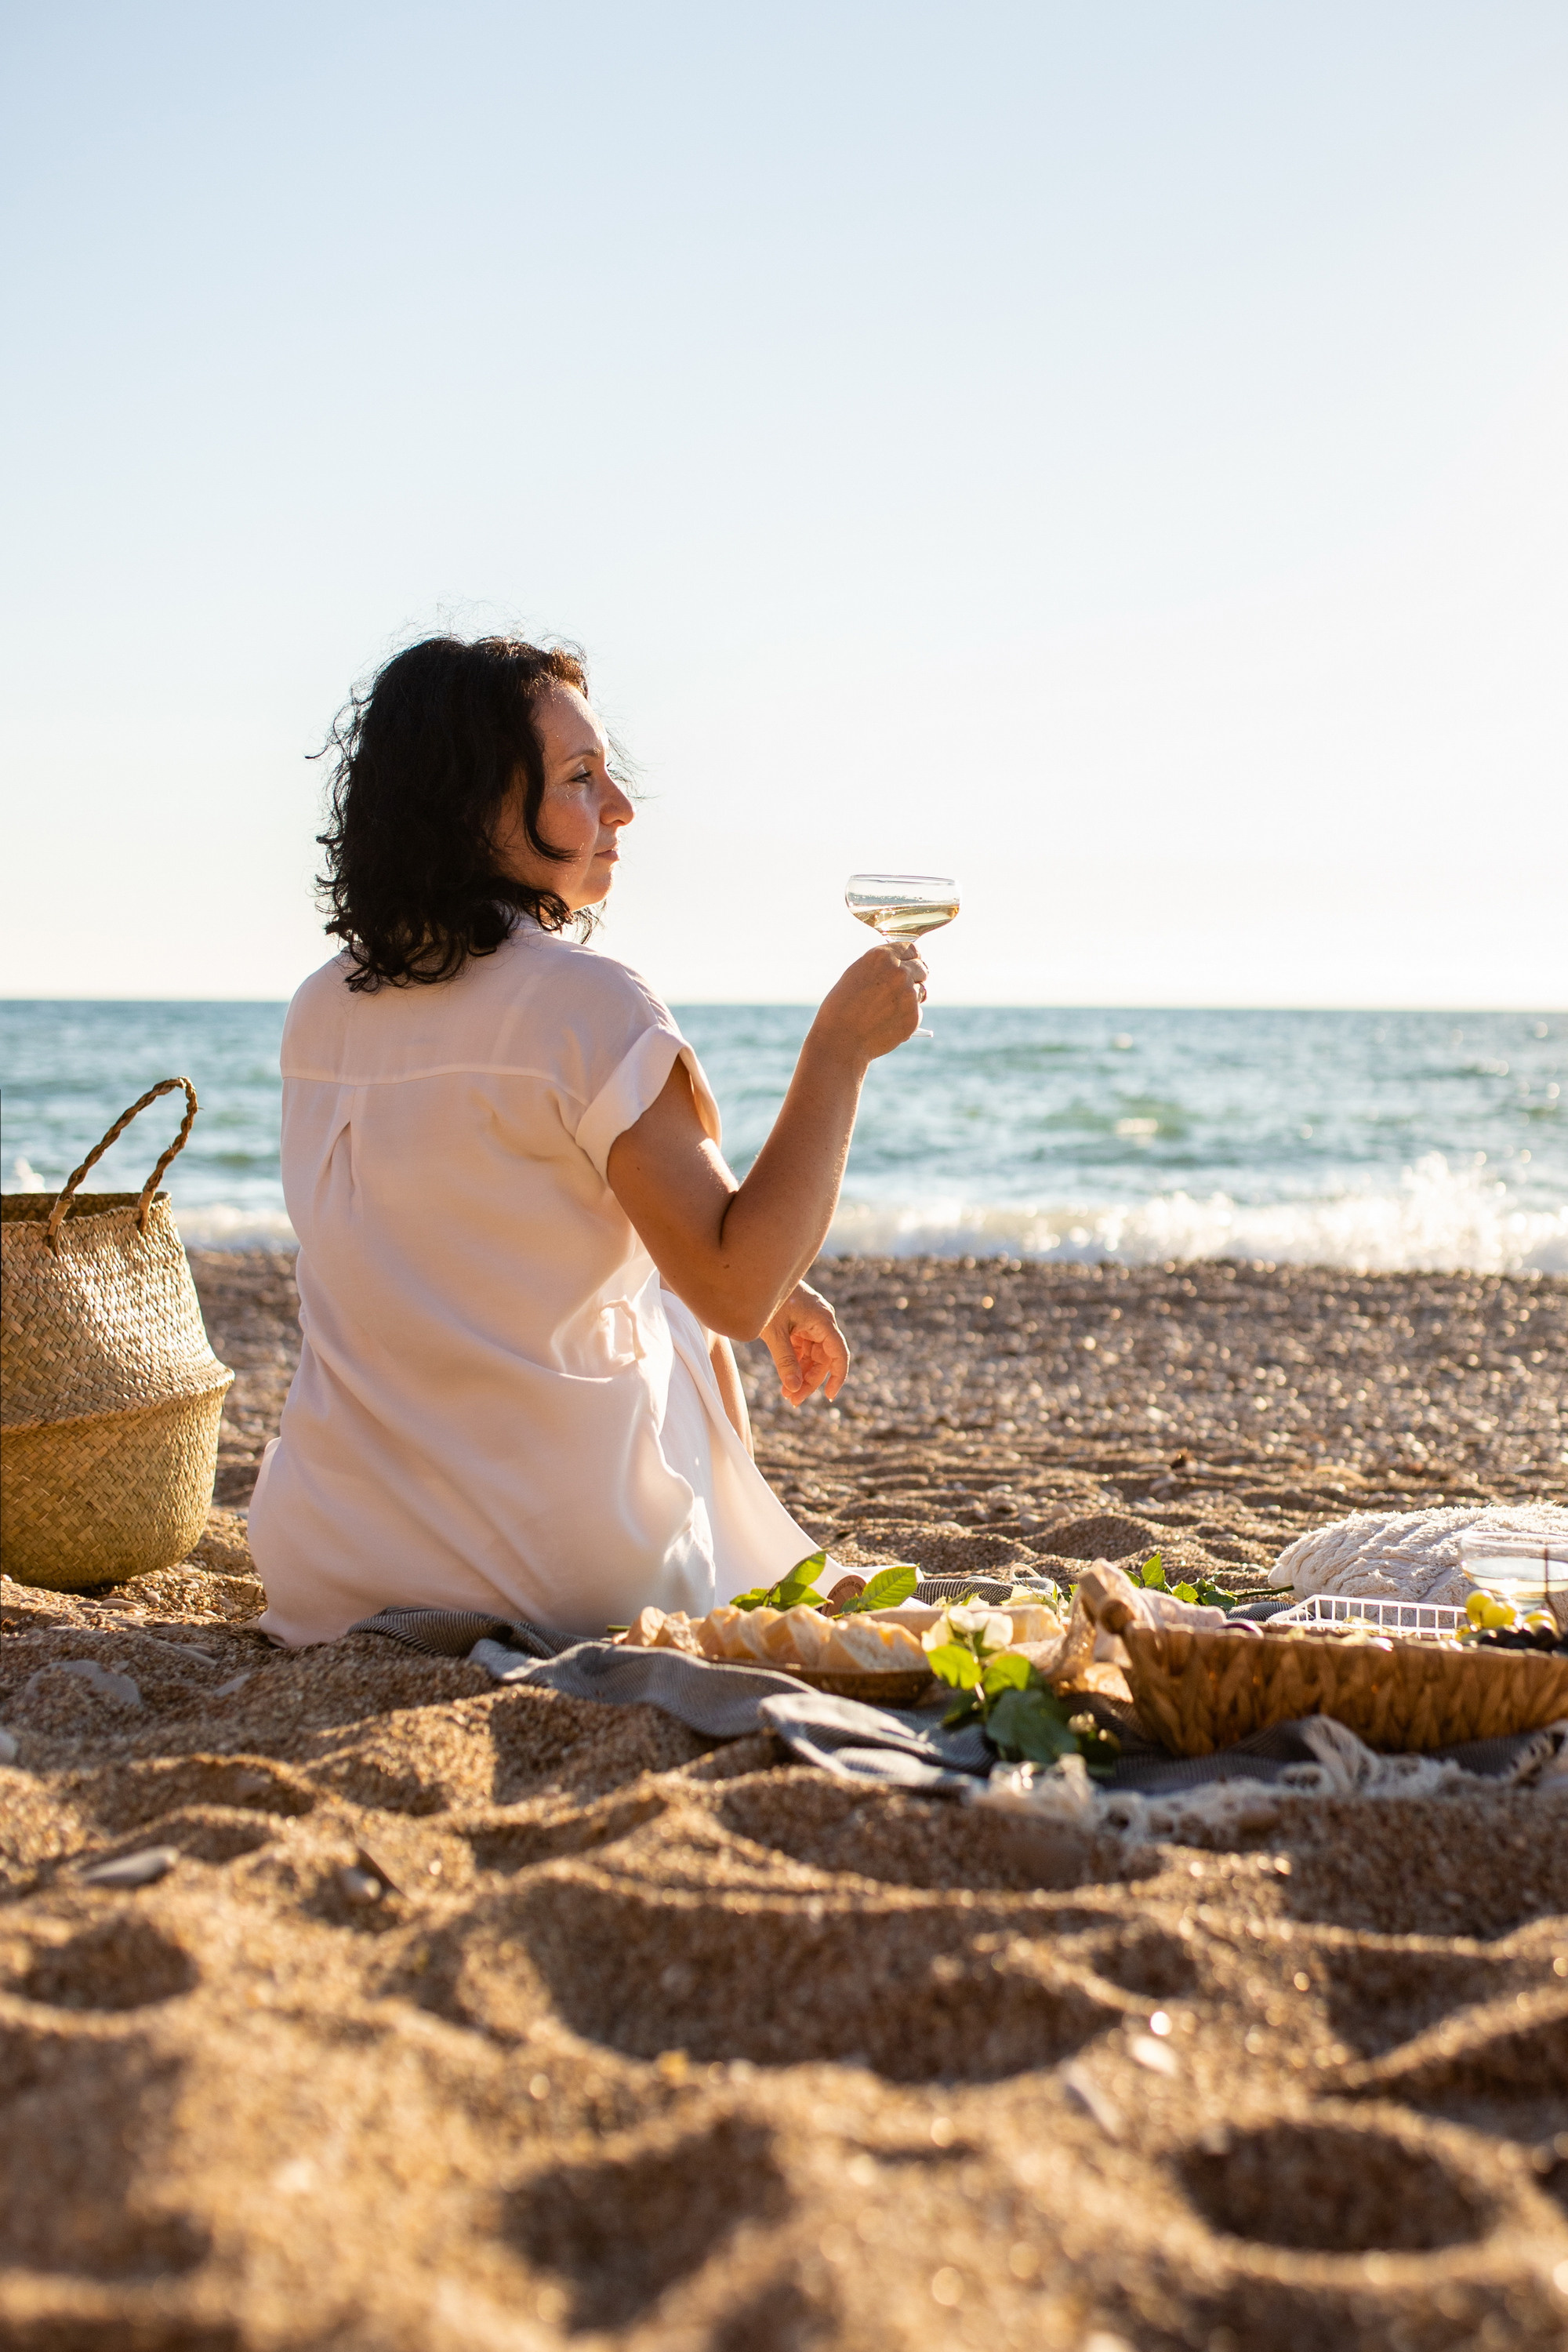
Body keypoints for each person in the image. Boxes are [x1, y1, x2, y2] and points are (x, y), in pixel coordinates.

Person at [249, 635, 925, 1643]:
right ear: (473, 808)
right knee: (690, 1311)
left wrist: (774, 1289)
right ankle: (734, 1572)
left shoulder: (319, 1008)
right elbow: (732, 1288)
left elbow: (459, 1234)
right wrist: (837, 1052)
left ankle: (739, 1558)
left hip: (330, 1561)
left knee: (662, 1281)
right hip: (572, 1580)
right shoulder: (588, 1005)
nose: (620, 806)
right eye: (579, 778)